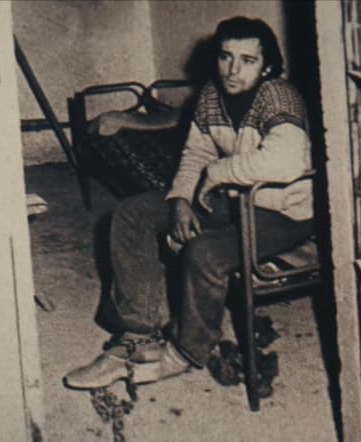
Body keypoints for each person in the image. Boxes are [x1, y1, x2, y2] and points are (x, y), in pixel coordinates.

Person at [64, 16, 314, 389]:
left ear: (267, 67)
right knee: (131, 214)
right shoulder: (211, 95)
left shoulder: (279, 96)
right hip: (233, 198)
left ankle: (183, 353)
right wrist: (181, 197)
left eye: (247, 60)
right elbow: (195, 153)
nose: (233, 70)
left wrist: (216, 173)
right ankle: (137, 334)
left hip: (283, 211)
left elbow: (287, 162)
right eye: (226, 57)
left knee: (204, 253)